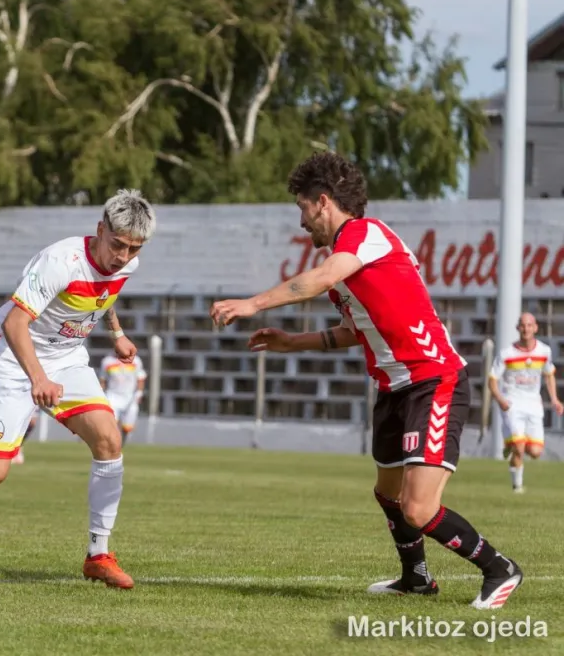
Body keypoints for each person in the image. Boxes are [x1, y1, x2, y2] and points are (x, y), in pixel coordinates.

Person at [210, 152, 522, 610]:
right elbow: (357, 331)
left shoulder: (364, 235)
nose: (302, 222)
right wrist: (290, 342)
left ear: (323, 202)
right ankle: (415, 579)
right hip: (394, 387)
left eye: (302, 209)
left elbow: (317, 279)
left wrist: (254, 303)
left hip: (433, 380)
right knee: (388, 493)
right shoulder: (349, 266)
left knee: (418, 508)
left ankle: (500, 568)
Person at [0, 189, 156, 589]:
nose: (122, 256)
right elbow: (16, 323)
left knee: (109, 440)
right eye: (117, 244)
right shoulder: (59, 261)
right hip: (11, 360)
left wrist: (116, 333)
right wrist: (38, 379)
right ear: (100, 230)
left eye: (133, 249)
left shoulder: (127, 264)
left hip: (66, 358)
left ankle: (98, 555)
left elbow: (105, 294)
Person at [489, 312, 563, 493]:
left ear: (536, 328)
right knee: (520, 448)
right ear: (517, 328)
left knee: (536, 452)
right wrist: (500, 399)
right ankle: (517, 486)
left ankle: (510, 446)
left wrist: (554, 399)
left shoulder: (544, 351)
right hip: (512, 403)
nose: (526, 329)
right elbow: (492, 379)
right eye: (522, 325)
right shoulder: (506, 353)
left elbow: (549, 375)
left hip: (533, 404)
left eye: (529, 325)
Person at [99, 353, 146, 444]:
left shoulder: (136, 360)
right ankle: (112, 443)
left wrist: (139, 393)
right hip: (113, 395)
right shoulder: (107, 361)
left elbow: (140, 378)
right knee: (111, 423)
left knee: (127, 427)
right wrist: (101, 394)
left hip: (130, 397)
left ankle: (121, 443)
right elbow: (103, 379)